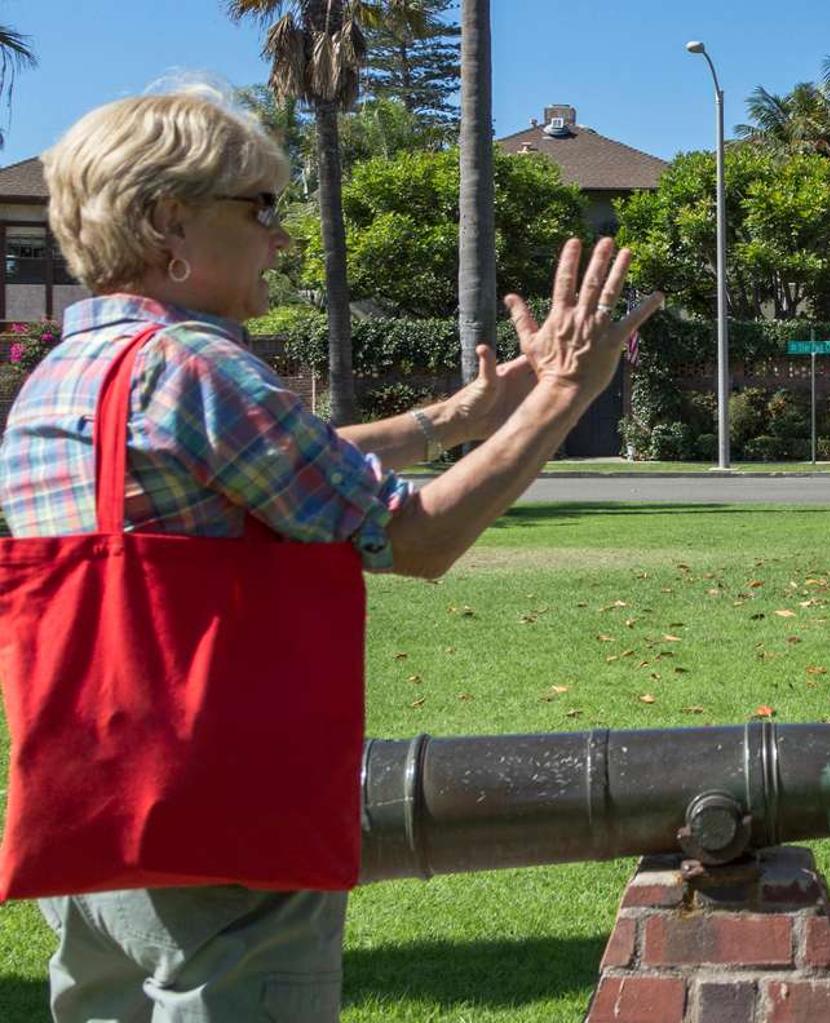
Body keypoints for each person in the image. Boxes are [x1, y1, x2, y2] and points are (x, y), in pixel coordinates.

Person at [3, 85, 662, 1021]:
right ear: (168, 221)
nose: (282, 234)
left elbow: (264, 465)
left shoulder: (62, 377)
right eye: (260, 206)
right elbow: (416, 537)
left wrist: (457, 420)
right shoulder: (195, 365)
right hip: (227, 831)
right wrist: (565, 393)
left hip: (101, 828)